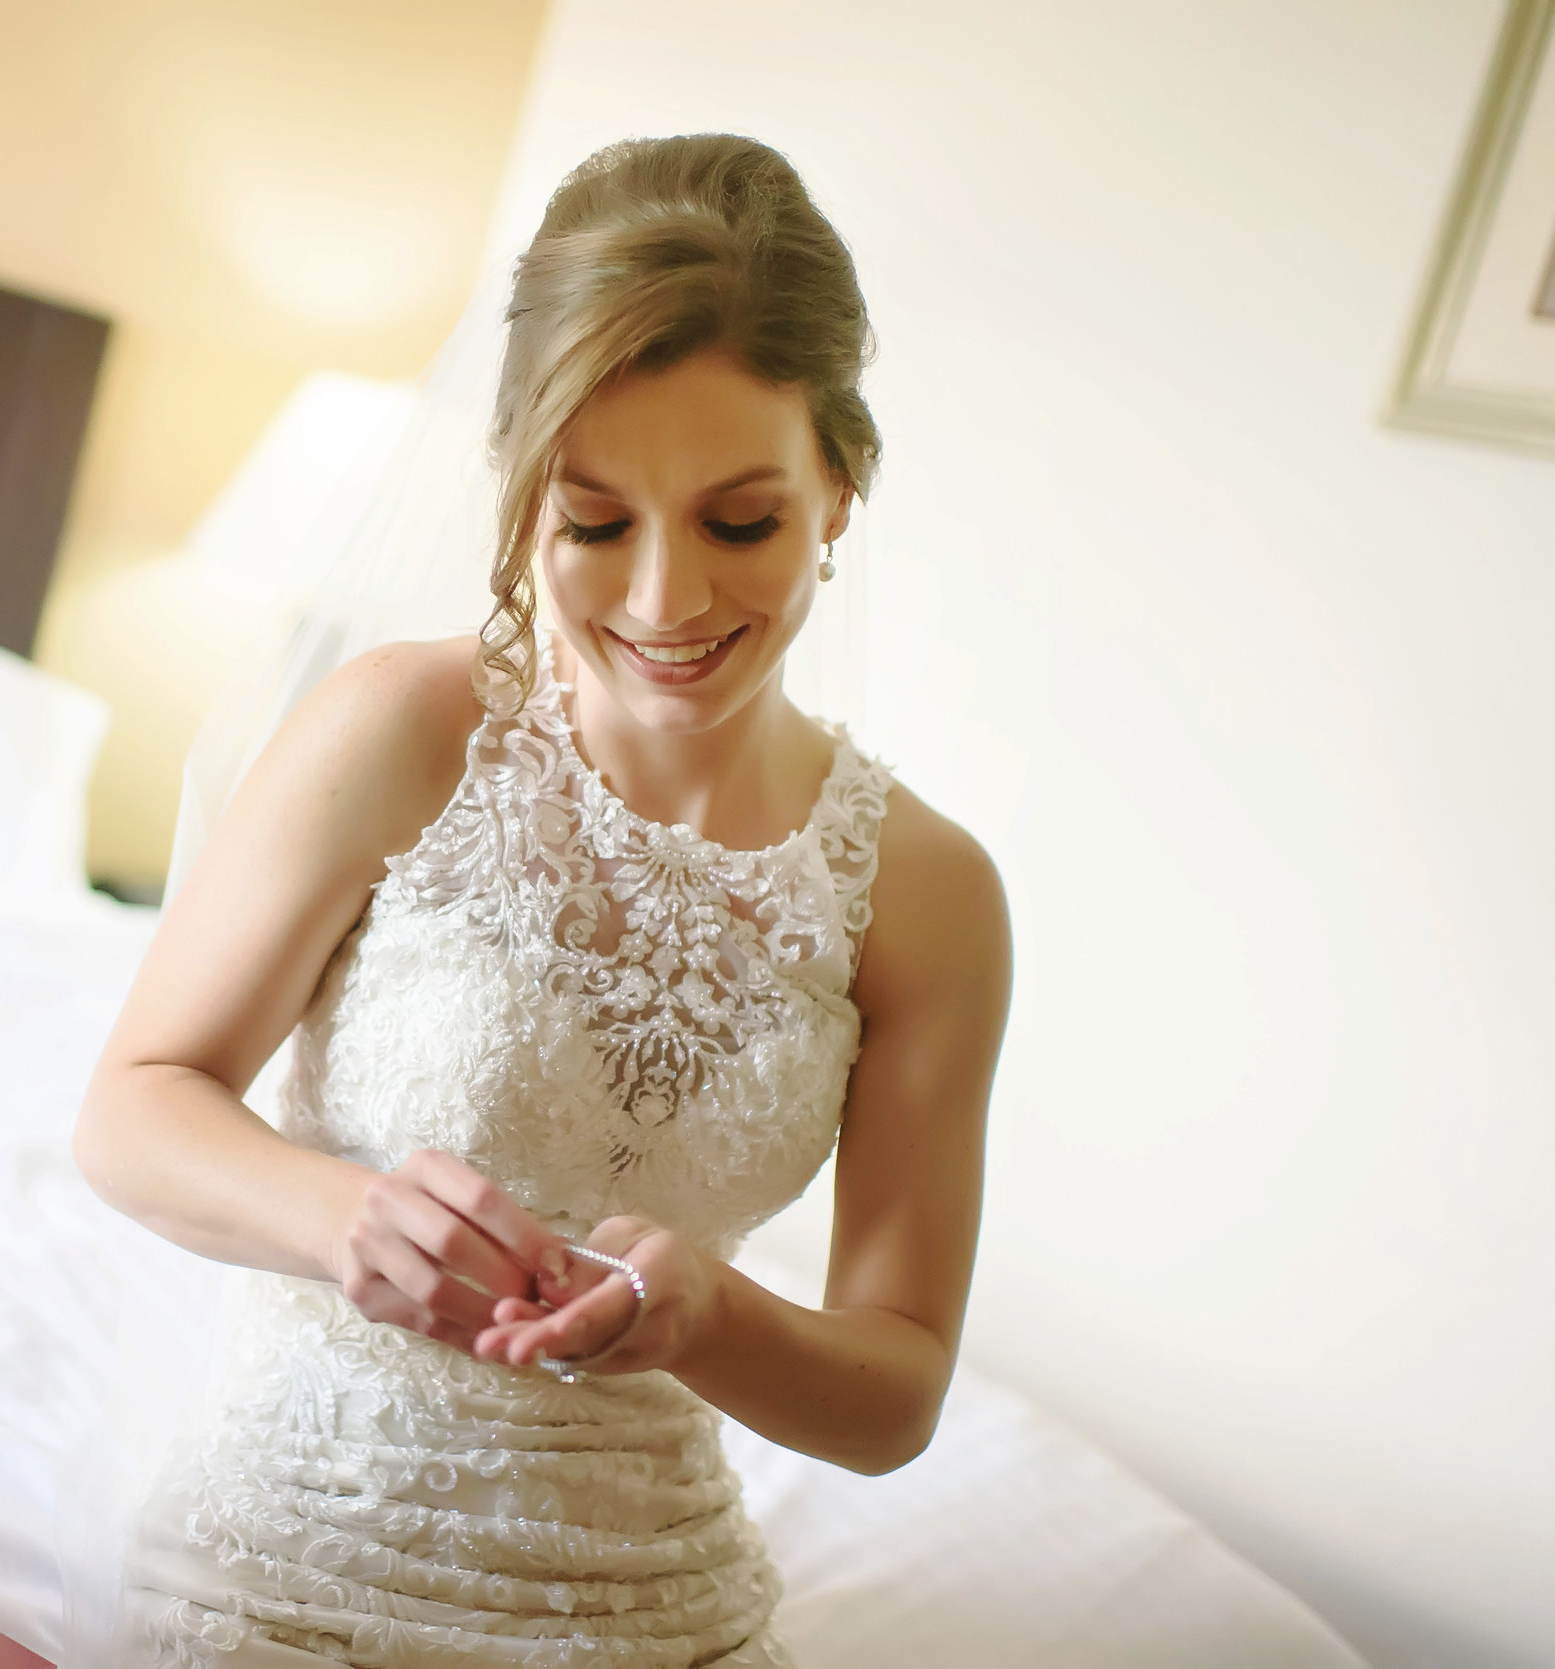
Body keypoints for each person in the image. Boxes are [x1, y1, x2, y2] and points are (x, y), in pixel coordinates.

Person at [73, 132, 1012, 1667]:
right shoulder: (400, 731)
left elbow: (896, 1387)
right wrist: (345, 1219)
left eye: (740, 520)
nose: (663, 601)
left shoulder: (931, 897)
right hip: (298, 1553)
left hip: (661, 1610)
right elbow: (130, 1104)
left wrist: (708, 1315)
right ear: (518, 495)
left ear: (839, 488)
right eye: (592, 521)